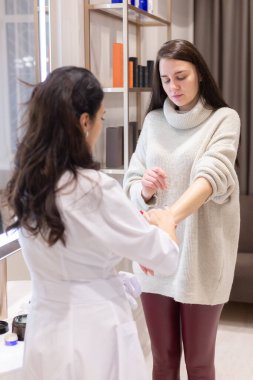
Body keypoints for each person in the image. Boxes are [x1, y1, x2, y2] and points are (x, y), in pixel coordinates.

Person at [5, 66, 180, 380]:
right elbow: (165, 258)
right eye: (101, 117)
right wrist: (165, 224)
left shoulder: (28, 183)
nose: (101, 125)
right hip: (94, 330)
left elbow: (79, 241)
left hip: (45, 327)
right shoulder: (93, 187)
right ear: (84, 122)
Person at [123, 39, 241, 380]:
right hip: (154, 259)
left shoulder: (223, 119)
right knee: (162, 360)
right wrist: (144, 189)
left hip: (201, 259)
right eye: (165, 79)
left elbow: (213, 176)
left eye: (181, 76)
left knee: (200, 363)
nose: (172, 86)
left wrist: (170, 218)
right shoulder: (154, 122)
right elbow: (131, 183)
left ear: (200, 75)